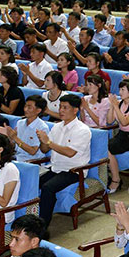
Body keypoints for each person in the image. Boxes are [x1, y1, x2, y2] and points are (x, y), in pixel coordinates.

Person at [37, 94, 91, 231]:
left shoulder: (82, 130)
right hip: (55, 167)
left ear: (75, 110)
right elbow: (45, 149)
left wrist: (48, 142)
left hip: (73, 171)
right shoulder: (57, 127)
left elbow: (70, 152)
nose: (61, 110)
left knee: (48, 188)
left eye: (65, 108)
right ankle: (30, 219)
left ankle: (42, 227)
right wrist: (43, 141)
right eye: (60, 107)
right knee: (32, 182)